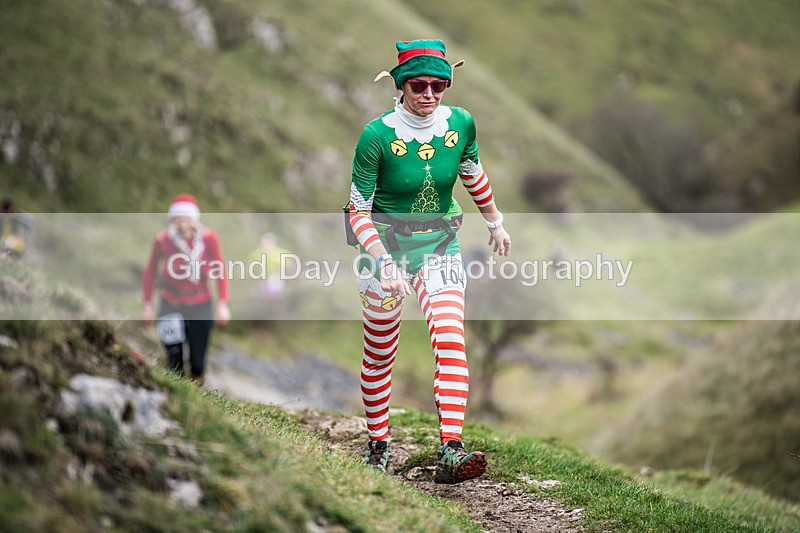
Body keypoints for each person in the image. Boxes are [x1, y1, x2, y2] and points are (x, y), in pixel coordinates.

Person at [347, 39, 511, 483]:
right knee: (380, 351)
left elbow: (471, 171)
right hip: (382, 250)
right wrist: (383, 262)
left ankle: (451, 451)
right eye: (419, 85)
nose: (430, 95)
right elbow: (357, 211)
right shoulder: (376, 135)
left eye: (440, 86)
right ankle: (378, 445)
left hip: (440, 245)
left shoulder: (460, 124)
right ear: (401, 85)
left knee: (451, 338)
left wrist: (495, 221)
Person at [142, 194, 231, 385]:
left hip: (201, 305)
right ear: (172, 220)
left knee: (198, 363)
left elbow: (220, 269)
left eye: (186, 220)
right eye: (178, 220)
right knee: (174, 361)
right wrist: (147, 306)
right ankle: (177, 397)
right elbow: (150, 272)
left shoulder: (209, 238)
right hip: (170, 304)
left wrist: (223, 303)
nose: (182, 225)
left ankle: (196, 395)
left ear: (194, 219)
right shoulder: (162, 239)